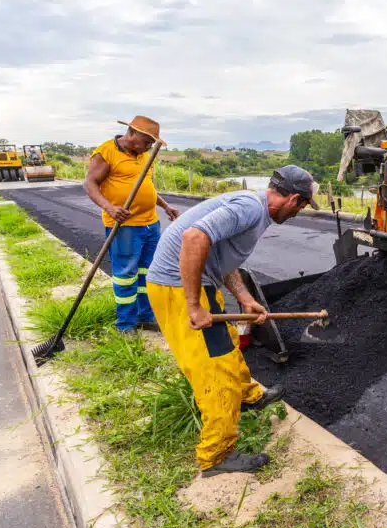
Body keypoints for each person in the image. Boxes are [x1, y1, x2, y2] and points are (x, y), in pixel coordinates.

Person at [146, 166, 320, 476]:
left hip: (198, 283)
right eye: (302, 206)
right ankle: (216, 454)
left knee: (227, 343)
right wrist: (193, 305)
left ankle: (248, 397)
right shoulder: (249, 208)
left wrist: (245, 298)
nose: (299, 212)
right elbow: (193, 238)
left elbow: (222, 259)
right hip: (179, 288)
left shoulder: (255, 210)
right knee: (216, 369)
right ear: (294, 199)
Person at [84, 116, 180, 333]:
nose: (150, 146)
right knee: (126, 274)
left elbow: (146, 187)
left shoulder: (145, 156)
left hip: (151, 224)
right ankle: (125, 324)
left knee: (149, 272)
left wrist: (165, 206)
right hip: (125, 226)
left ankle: (145, 316)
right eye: (147, 141)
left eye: (152, 143)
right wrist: (110, 207)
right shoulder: (106, 152)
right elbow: (90, 184)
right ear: (133, 133)